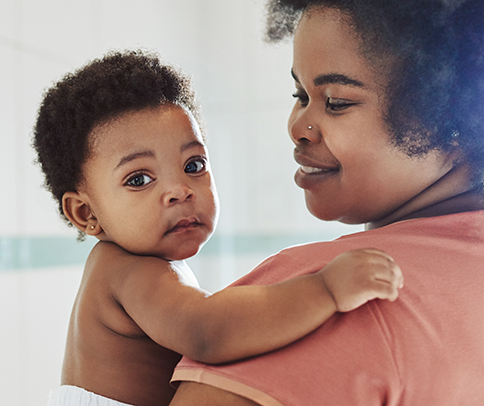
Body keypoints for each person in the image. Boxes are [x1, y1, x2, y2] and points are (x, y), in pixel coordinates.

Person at [170, 0, 484, 405]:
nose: (298, 127)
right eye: (300, 94)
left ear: (452, 118)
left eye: (336, 103)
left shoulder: (317, 295)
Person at [33, 50, 404, 406]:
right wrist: (325, 288)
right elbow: (207, 331)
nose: (179, 190)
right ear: (84, 212)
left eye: (193, 166)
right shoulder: (128, 271)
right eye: (140, 179)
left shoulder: (132, 265)